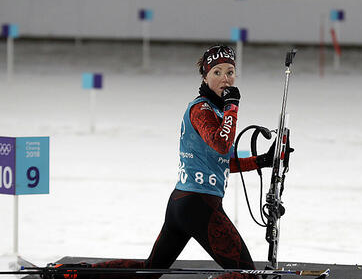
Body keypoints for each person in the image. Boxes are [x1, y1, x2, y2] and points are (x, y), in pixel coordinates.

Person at [55, 45, 276, 279]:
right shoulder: (202, 109)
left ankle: (77, 273)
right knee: (245, 274)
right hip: (199, 205)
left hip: (182, 203)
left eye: (230, 72)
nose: (226, 79)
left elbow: (221, 160)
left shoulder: (214, 111)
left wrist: (262, 161)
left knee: (150, 270)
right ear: (205, 75)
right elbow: (221, 144)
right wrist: (233, 106)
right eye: (217, 72)